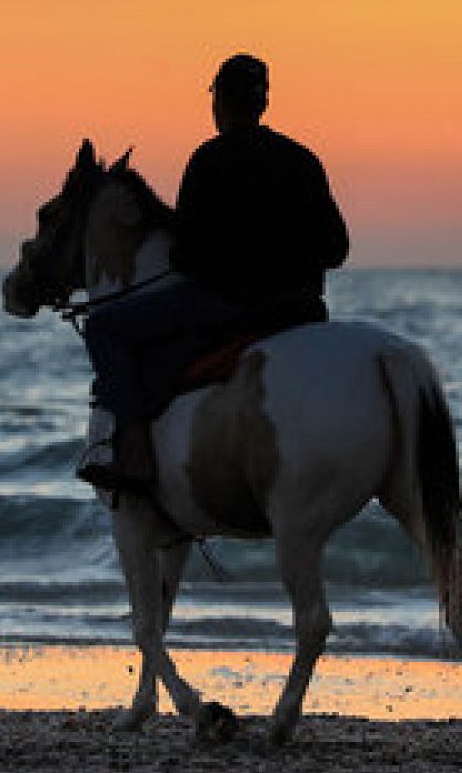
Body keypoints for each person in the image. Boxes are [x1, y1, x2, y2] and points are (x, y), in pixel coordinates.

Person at [78, 54, 349, 493]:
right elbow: (337, 250)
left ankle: (129, 448)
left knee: (104, 327)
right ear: (264, 103)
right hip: (300, 311)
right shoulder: (303, 160)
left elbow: (187, 253)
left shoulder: (209, 159)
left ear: (219, 101)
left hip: (229, 308)